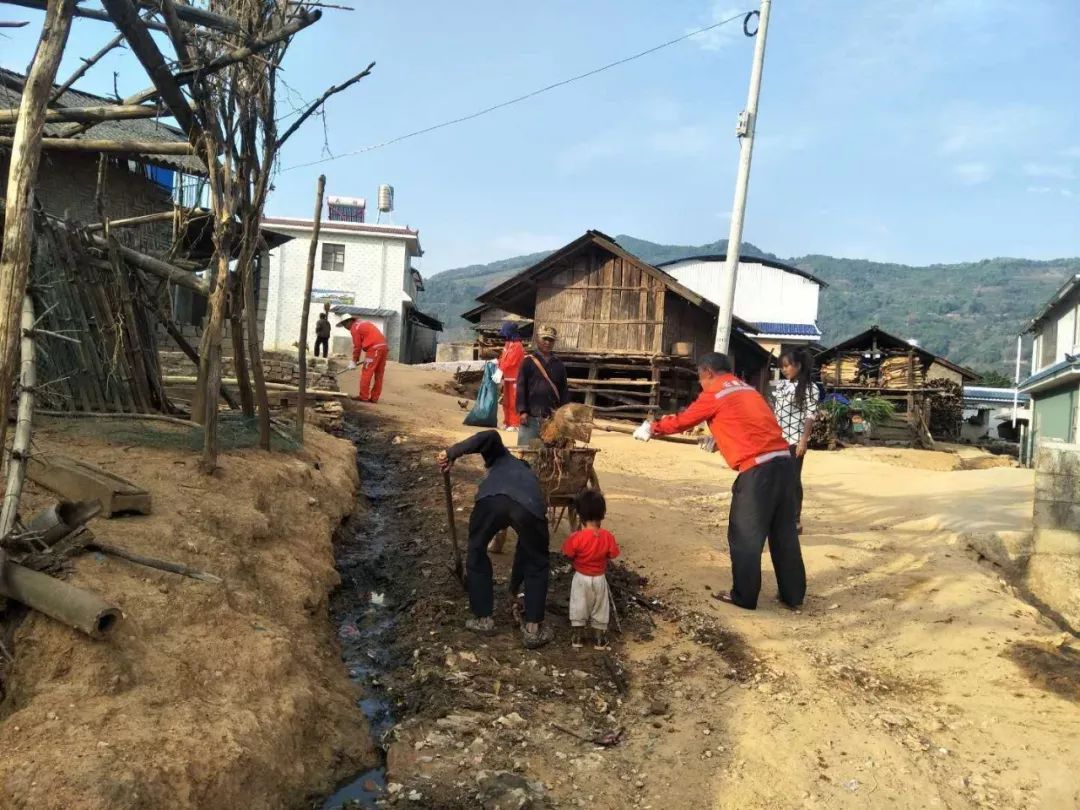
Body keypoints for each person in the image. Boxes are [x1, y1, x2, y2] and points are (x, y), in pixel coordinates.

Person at [639, 352, 806, 611]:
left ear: (706, 372)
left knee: (745, 536)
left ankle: (744, 596)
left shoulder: (715, 392)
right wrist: (721, 440)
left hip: (758, 471)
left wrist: (652, 427)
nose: (701, 385)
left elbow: (684, 420)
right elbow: (755, 425)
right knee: (783, 533)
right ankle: (793, 595)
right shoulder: (748, 390)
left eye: (700, 379)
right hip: (784, 465)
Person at [437, 430, 554, 649]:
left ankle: (484, 619)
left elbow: (489, 435)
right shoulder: (530, 479)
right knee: (537, 562)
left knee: (476, 550)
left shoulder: (500, 456)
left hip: (491, 502)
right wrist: (514, 586)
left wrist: (451, 453)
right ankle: (532, 630)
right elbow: (526, 552)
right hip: (528, 508)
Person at [561, 490, 620, 650]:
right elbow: (613, 553)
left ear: (580, 515)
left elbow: (567, 553)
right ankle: (599, 640)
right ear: (602, 514)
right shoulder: (608, 537)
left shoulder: (576, 538)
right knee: (600, 606)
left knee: (579, 605)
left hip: (581, 578)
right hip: (599, 578)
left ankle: (577, 638)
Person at [773, 348, 819, 533]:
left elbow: (810, 415)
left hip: (794, 440)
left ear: (798, 365)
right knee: (776, 479)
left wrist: (803, 441)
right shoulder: (782, 385)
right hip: (777, 440)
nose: (784, 369)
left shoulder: (810, 388)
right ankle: (778, 517)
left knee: (792, 480)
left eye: (787, 366)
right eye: (782, 366)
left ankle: (795, 519)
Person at [516, 325, 569, 445]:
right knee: (527, 451)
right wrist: (522, 411)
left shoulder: (559, 365)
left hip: (552, 418)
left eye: (551, 340)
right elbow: (521, 387)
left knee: (551, 453)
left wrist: (564, 412)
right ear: (537, 339)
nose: (547, 342)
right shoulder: (528, 362)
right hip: (531, 415)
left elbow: (564, 390)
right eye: (544, 338)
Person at [337, 315, 388, 403]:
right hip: (383, 347)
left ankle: (363, 396)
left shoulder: (354, 328)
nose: (346, 328)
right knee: (379, 374)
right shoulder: (362, 323)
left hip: (374, 348)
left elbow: (357, 346)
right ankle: (374, 398)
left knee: (367, 372)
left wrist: (354, 361)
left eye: (345, 325)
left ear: (349, 321)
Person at [497, 322, 525, 432]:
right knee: (506, 401)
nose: (504, 336)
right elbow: (504, 358)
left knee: (514, 401)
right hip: (508, 377)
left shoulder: (518, 346)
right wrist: (497, 362)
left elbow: (511, 361)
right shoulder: (508, 344)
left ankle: (515, 424)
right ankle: (507, 422)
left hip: (516, 378)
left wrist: (500, 369)